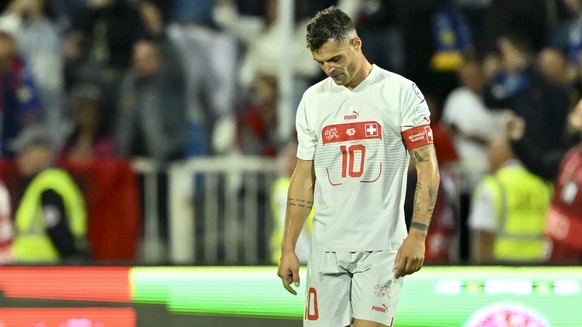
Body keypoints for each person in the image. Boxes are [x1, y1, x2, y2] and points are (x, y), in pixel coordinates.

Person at [276, 7, 440, 327]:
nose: (328, 69)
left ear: (356, 43)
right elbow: (303, 179)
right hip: (326, 249)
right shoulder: (313, 100)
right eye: (321, 62)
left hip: (380, 249)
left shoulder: (401, 93)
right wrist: (288, 248)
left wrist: (418, 233)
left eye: (335, 58)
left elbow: (427, 166)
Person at [507, 99, 582, 263]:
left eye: (578, 114)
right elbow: (540, 165)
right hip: (555, 253)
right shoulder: (570, 158)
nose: (572, 118)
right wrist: (518, 140)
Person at [468, 133, 552, 264]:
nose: (488, 158)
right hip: (539, 265)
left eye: (490, 151)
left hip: (502, 265)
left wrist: (481, 270)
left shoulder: (492, 186)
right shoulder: (543, 185)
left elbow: (484, 235)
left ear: (502, 153)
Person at [9, 125, 88, 263]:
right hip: (37, 269)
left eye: (25, 152)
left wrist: (75, 260)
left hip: (46, 271)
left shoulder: (49, 187)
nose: (19, 159)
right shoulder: (43, 183)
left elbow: (57, 229)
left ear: (42, 153)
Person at [270, 141, 312, 265]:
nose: (288, 164)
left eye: (293, 160)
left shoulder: (311, 187)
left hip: (310, 252)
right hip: (285, 254)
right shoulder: (281, 186)